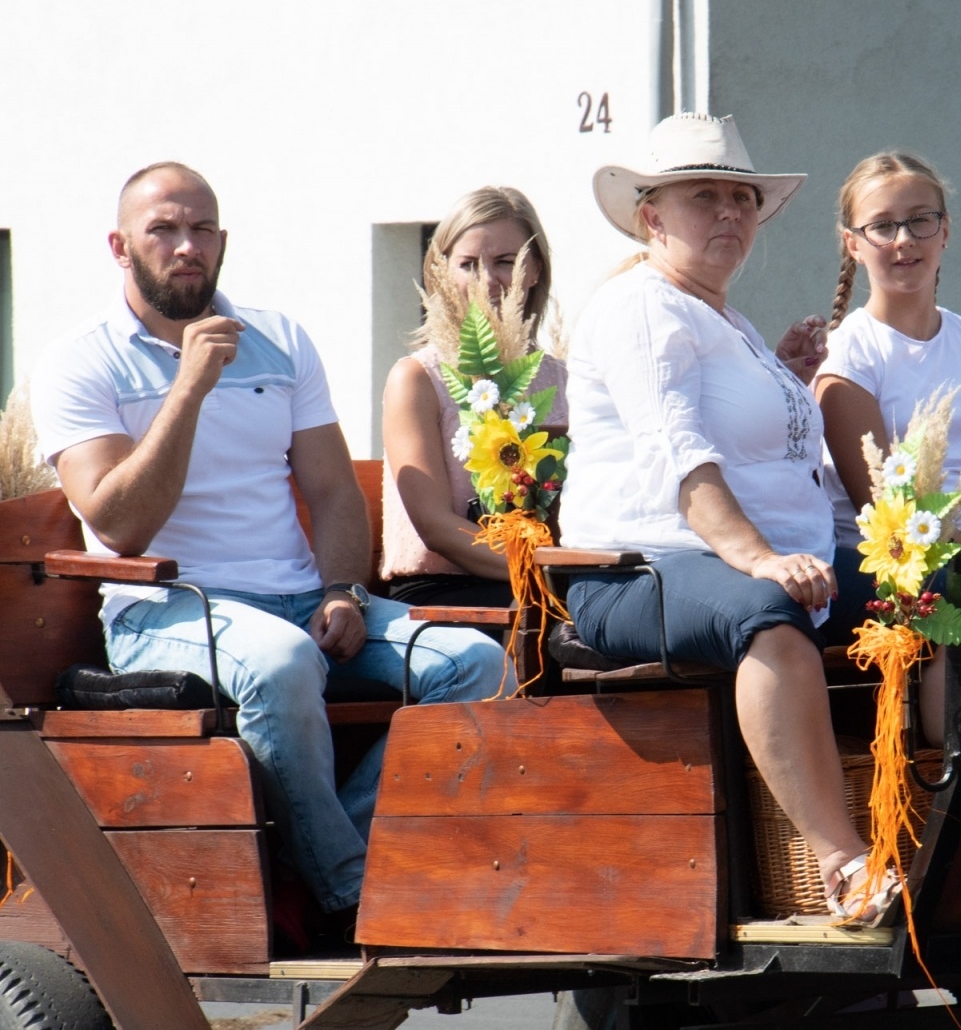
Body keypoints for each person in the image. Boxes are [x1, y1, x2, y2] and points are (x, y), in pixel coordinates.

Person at [29, 162, 504, 926]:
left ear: (223, 240)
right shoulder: (80, 360)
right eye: (164, 230)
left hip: (297, 599)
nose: (187, 246)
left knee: (481, 664)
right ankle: (349, 896)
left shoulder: (279, 338)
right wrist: (189, 385)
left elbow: (333, 494)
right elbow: (120, 526)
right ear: (120, 247)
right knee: (285, 664)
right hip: (166, 608)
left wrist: (343, 592)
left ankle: (342, 847)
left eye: (202, 229)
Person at [562, 112, 893, 923]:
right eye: (702, 197)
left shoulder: (721, 318)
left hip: (752, 560)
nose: (728, 214)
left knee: (947, 598)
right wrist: (760, 559)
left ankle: (938, 820)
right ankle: (843, 863)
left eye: (741, 199)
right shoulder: (641, 307)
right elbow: (680, 453)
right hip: (637, 572)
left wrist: (780, 374)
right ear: (651, 217)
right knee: (771, 615)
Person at [813, 151, 961, 740]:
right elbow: (885, 507)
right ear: (852, 244)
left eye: (919, 221)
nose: (903, 240)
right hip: (894, 561)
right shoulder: (849, 356)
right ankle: (957, 773)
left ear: (944, 230)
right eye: (881, 226)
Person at [381, 186, 567, 609]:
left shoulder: (567, 379)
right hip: (446, 592)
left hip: (551, 582)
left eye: (505, 262)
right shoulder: (417, 378)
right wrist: (550, 571)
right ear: (444, 273)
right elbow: (434, 525)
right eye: (468, 264)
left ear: (534, 269)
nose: (488, 280)